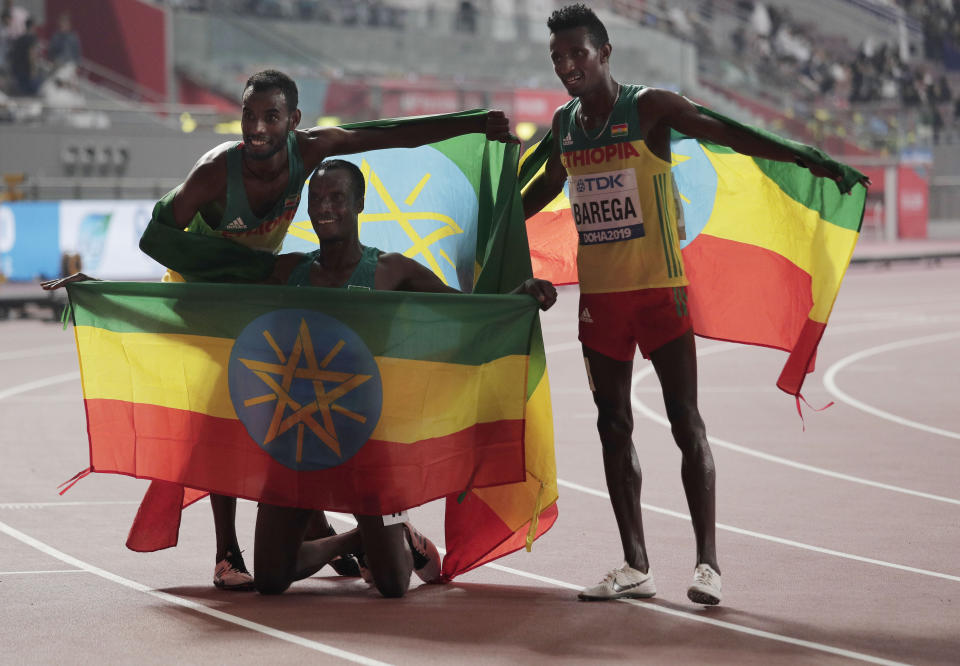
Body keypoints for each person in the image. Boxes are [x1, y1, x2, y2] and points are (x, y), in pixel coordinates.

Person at [521, 4, 861, 606]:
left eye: (576, 54)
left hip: (659, 293)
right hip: (602, 301)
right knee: (612, 426)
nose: (567, 66)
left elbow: (728, 130)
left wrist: (805, 156)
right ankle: (635, 565)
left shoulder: (648, 107)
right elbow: (538, 185)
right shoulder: (565, 124)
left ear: (604, 53)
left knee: (685, 421)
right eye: (557, 58)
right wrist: (487, 222)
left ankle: (707, 564)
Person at [136, 69, 520, 592]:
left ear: (293, 122)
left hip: (265, 291)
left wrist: (468, 124)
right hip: (212, 284)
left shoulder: (317, 157)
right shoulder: (217, 172)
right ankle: (229, 550)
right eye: (249, 115)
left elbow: (389, 134)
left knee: (385, 579)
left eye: (271, 116)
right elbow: (156, 236)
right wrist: (224, 270)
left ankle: (340, 529)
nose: (256, 127)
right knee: (219, 410)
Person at [253, 159, 557, 598]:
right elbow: (222, 290)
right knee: (270, 578)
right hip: (301, 437)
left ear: (359, 203)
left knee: (394, 584)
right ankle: (354, 540)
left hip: (370, 440)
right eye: (316, 199)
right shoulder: (288, 273)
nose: (325, 208)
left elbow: (466, 314)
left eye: (337, 198)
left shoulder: (392, 271)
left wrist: (519, 297)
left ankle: (399, 540)